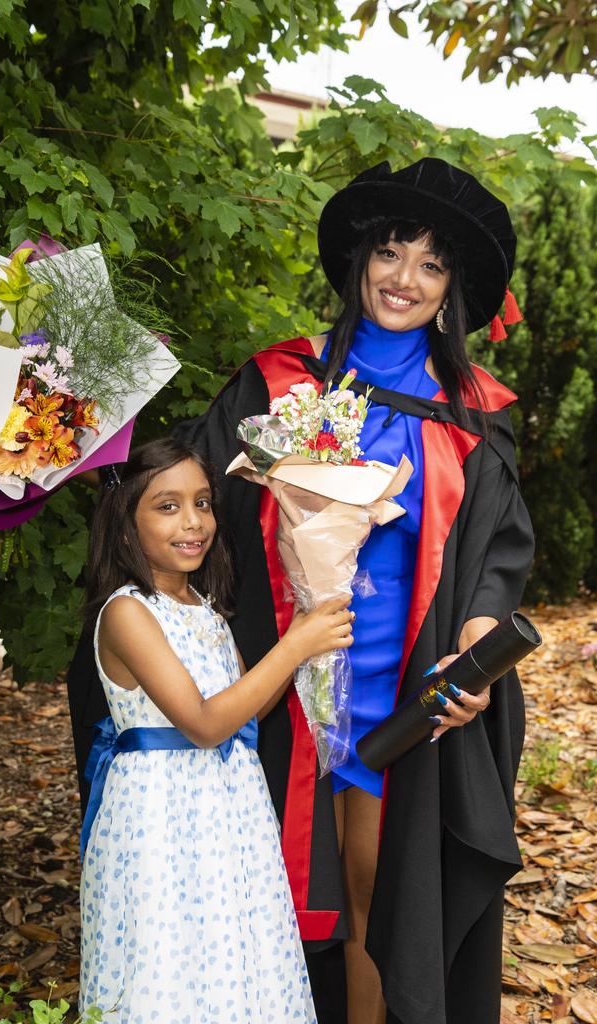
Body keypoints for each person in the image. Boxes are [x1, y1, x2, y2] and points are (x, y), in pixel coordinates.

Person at [68, 157, 534, 1024]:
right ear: (360, 262)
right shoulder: (279, 382)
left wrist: (476, 639)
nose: (405, 280)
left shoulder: (472, 411)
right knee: (260, 891)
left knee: (377, 897)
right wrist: (67, 425)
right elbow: (178, 490)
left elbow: (497, 549)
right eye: (391, 254)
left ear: (452, 291)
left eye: (431, 266)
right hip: (274, 679)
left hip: (400, 693)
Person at [77, 437, 355, 1023]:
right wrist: (294, 644)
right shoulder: (127, 612)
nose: (193, 521)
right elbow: (204, 724)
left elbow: (245, 709)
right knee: (171, 963)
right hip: (162, 818)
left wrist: (307, 631)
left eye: (203, 503)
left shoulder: (203, 607)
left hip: (228, 812)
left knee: (231, 958)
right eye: (167, 505)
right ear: (126, 522)